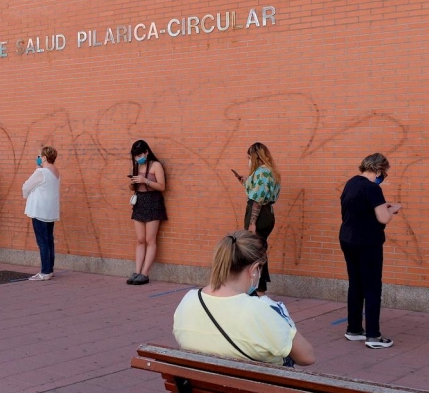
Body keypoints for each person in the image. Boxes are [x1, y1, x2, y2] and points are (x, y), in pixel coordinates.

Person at [173, 230, 315, 366]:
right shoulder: (260, 310)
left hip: (197, 389)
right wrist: (283, 318)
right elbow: (307, 357)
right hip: (256, 389)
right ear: (254, 270)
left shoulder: (188, 301)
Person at [339, 153, 402, 349]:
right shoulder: (372, 188)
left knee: (355, 284)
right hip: (367, 242)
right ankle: (373, 336)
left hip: (348, 238)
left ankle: (354, 329)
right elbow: (383, 218)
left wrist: (382, 207)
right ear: (377, 170)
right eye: (383, 173)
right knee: (373, 287)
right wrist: (393, 209)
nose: (383, 177)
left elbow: (358, 209)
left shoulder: (352, 183)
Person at [233, 142, 280, 296]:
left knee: (255, 251)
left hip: (259, 214)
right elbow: (258, 191)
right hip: (266, 213)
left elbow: (258, 199)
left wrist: (253, 222)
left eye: (249, 157)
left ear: (255, 157)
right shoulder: (269, 171)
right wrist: (245, 181)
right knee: (258, 249)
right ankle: (258, 288)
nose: (248, 161)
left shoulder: (262, 172)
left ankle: (259, 290)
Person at [127, 140, 167, 286]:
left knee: (150, 240)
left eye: (139, 155)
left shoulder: (155, 165)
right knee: (140, 239)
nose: (138, 158)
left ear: (146, 152)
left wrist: (145, 180)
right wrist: (133, 183)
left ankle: (145, 273)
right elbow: (132, 188)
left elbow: (162, 186)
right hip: (139, 201)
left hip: (153, 201)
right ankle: (137, 271)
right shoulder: (137, 165)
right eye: (135, 156)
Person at [23, 146, 61, 281]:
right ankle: (49, 269)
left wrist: (27, 194)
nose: (37, 158)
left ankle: (44, 271)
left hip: (39, 210)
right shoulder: (55, 171)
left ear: (44, 158)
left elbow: (26, 186)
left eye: (39, 156)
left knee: (42, 241)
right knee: (49, 240)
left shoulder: (41, 172)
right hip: (50, 210)